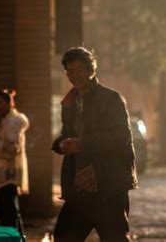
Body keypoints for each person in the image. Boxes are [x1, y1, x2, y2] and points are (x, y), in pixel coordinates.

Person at [52, 47, 137, 242]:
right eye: (70, 71)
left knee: (114, 238)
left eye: (80, 70)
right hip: (79, 187)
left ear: (92, 70)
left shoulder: (111, 99)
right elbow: (65, 135)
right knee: (64, 237)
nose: (75, 76)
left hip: (108, 184)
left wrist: (83, 144)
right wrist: (61, 144)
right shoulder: (70, 102)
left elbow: (121, 136)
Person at [0, 89, 29, 236]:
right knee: (11, 212)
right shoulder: (7, 121)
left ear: (9, 103)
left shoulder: (12, 122)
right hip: (5, 176)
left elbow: (13, 148)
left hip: (8, 175)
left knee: (9, 214)